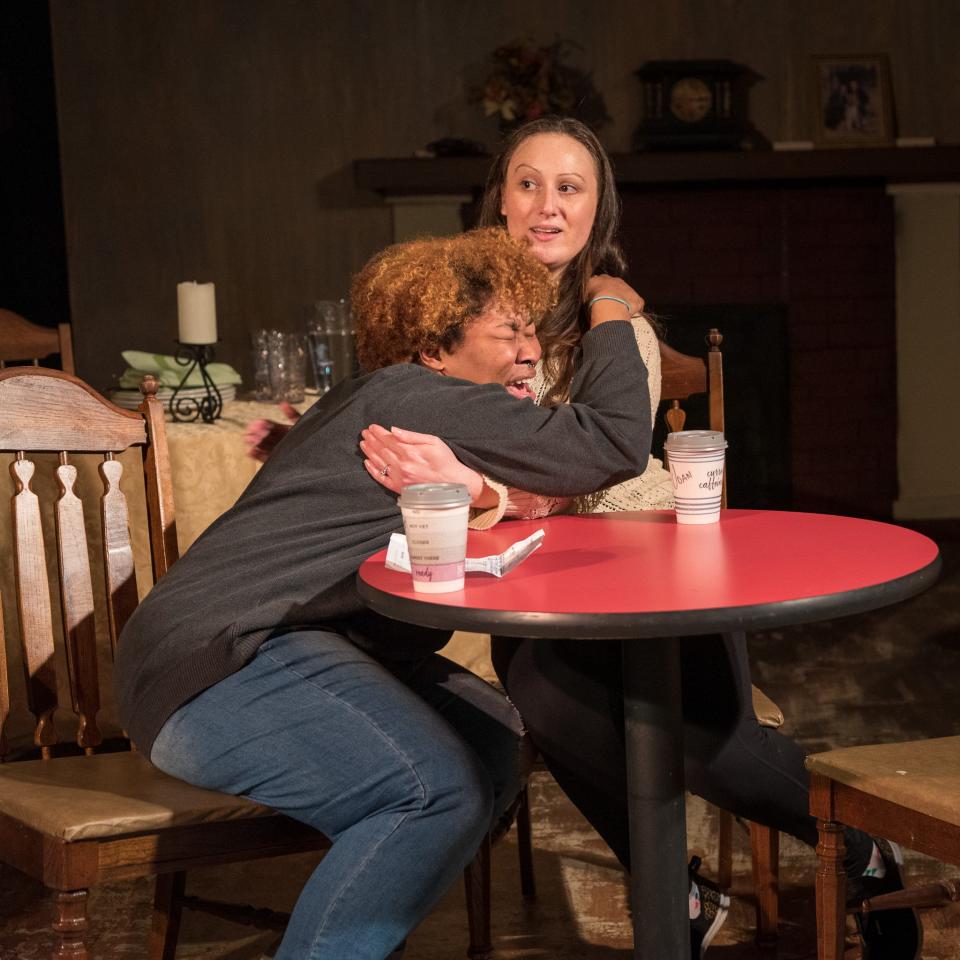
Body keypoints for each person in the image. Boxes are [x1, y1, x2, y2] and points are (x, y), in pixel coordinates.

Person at [358, 117, 922, 959]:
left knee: (719, 749)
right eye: (528, 183)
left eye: (570, 187)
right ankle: (678, 892)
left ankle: (865, 849)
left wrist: (496, 486)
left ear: (598, 210)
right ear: (497, 201)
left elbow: (594, 462)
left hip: (658, 550)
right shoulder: (458, 315)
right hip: (544, 574)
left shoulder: (616, 316)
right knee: (539, 689)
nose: (547, 206)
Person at [114, 227, 652, 960]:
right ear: (434, 348)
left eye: (534, 331)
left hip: (285, 642)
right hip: (214, 662)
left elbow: (536, 483)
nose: (531, 351)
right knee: (433, 792)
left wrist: (495, 496)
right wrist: (611, 304)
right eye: (509, 332)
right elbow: (613, 444)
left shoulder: (396, 401)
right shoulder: (423, 395)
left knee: (492, 742)